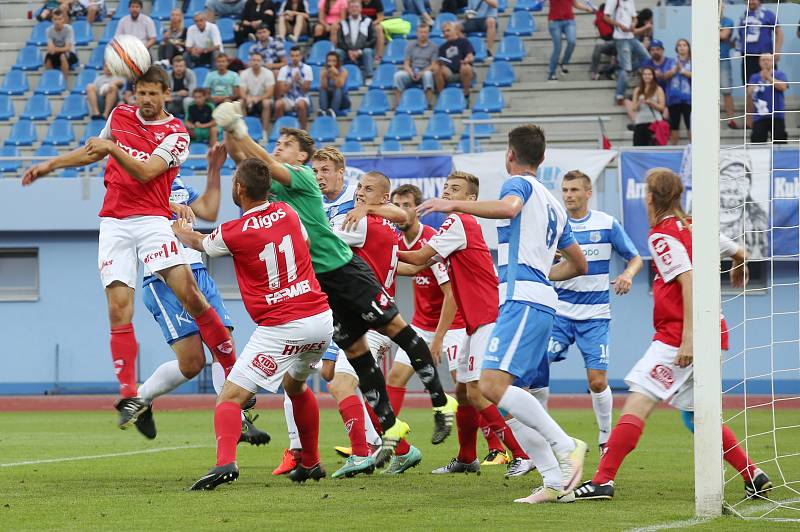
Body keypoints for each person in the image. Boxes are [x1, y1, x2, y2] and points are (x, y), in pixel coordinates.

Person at [215, 107, 457, 465]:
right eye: (277, 143)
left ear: (302, 157)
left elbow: (401, 213)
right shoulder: (275, 192)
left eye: (286, 144)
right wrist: (230, 137)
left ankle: (441, 401)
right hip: (322, 288)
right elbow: (248, 165)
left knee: (396, 331)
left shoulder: (302, 178)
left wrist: (238, 127)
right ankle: (387, 433)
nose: (278, 148)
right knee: (354, 360)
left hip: (345, 271)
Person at [21, 66, 237, 431]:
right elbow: (93, 152)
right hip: (114, 223)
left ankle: (232, 369)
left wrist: (111, 148)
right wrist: (49, 165)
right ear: (134, 93)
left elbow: (146, 172)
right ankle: (128, 394)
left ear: (166, 94)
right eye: (141, 93)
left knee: (193, 296)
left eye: (154, 94)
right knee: (118, 308)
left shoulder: (177, 134)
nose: (146, 101)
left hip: (153, 222)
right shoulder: (119, 115)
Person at [407, 125, 590, 504]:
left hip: (520, 299)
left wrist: (452, 204)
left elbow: (508, 209)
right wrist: (544, 273)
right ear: (541, 157)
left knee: (488, 387)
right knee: (520, 400)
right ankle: (556, 483)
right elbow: (579, 264)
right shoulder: (555, 203)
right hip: (540, 300)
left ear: (510, 155)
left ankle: (566, 444)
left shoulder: (518, 185)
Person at [572, 168, 773, 502]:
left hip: (679, 336)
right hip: (716, 332)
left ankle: (602, 480)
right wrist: (740, 263)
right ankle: (753, 474)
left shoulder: (662, 235)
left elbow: (688, 279)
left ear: (650, 197)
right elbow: (739, 251)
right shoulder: (695, 226)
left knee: (638, 400)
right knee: (697, 415)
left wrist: (689, 339)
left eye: (646, 193)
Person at [174, 156, 334, 489]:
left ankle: (224, 464)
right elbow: (303, 243)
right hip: (320, 318)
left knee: (230, 398)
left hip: (282, 325)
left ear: (239, 188)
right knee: (296, 385)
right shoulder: (289, 213)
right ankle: (312, 463)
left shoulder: (233, 232)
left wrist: (180, 230)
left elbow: (201, 244)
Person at [397, 173, 537, 480]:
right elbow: (419, 265)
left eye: (455, 190)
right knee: (462, 391)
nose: (448, 193)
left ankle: (523, 454)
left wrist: (378, 249)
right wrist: (379, 259)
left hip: (486, 317)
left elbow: (420, 256)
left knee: (477, 391)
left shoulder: (458, 222)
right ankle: (466, 457)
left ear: (470, 200)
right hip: (477, 320)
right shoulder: (460, 226)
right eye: (446, 188)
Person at [135, 145, 268, 446]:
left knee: (225, 342)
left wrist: (213, 169)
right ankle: (141, 398)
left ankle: (238, 419)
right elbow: (137, 221)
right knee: (193, 364)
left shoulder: (180, 183)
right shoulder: (140, 186)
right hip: (163, 278)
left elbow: (207, 210)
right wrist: (168, 214)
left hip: (197, 270)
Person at [545, 171, 642, 452]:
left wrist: (628, 274)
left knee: (597, 382)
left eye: (574, 189)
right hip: (559, 313)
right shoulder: (555, 225)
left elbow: (635, 258)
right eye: (564, 190)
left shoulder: (606, 224)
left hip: (595, 316)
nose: (568, 195)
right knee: (536, 371)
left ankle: (604, 437)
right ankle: (541, 438)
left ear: (588, 193)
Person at [604, 0, 649, 104]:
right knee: (626, 69)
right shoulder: (613, 1)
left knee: (647, 60)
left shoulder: (630, 1)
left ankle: (618, 69)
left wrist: (633, 23)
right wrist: (619, 25)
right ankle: (619, 95)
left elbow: (634, 17)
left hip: (631, 36)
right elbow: (606, 17)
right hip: (621, 38)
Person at [739, 0, 782, 92]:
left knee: (771, 85)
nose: (750, 2)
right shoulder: (744, 16)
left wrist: (777, 52)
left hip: (766, 56)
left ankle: (772, 106)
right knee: (749, 87)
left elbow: (779, 33)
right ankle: (751, 106)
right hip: (748, 57)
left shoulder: (768, 14)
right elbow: (741, 35)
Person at [548, 1, 595, 81]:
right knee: (557, 48)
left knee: (572, 41)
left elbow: (574, 3)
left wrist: (586, 8)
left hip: (569, 20)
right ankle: (551, 73)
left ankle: (564, 63)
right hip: (554, 21)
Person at [393, 23, 437, 108]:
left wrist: (421, 73)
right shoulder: (410, 46)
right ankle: (399, 104)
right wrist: (411, 73)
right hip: (412, 71)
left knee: (428, 75)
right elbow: (406, 64)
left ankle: (428, 104)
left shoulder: (434, 47)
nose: (423, 34)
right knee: (397, 76)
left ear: (428, 34)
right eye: (421, 32)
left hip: (425, 71)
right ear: (417, 33)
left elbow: (433, 65)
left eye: (425, 32)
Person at [748, 53, 788, 144]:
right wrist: (749, 116)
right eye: (763, 60)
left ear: (773, 62)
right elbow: (749, 93)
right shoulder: (754, 77)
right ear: (759, 63)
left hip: (777, 115)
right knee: (757, 145)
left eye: (768, 60)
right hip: (759, 116)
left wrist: (769, 78)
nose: (766, 62)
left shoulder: (780, 74)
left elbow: (783, 87)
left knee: (780, 144)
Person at [434, 22, 475, 105]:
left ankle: (466, 95)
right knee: (437, 69)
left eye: (448, 30)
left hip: (463, 71)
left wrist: (466, 60)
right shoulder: (442, 47)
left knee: (465, 67)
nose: (446, 33)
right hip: (449, 72)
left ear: (455, 31)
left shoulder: (464, 42)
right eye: (444, 32)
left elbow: (470, 56)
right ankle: (442, 97)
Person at [336, 0, 377, 80]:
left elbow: (373, 39)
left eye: (356, 7)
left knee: (367, 51)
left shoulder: (368, 21)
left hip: (363, 51)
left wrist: (359, 51)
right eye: (352, 7)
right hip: (347, 51)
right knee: (337, 52)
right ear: (348, 10)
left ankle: (369, 77)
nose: (354, 9)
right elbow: (340, 41)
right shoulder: (343, 23)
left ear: (361, 9)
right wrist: (349, 51)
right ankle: (338, 77)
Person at [275, 47, 313, 130]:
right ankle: (280, 131)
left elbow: (306, 90)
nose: (295, 58)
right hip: (288, 98)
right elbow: (282, 91)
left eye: (297, 55)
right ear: (289, 57)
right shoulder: (283, 69)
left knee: (301, 104)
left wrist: (299, 81)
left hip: (302, 96)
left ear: (301, 56)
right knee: (278, 104)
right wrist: (292, 81)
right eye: (292, 56)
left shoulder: (307, 68)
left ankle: (303, 131)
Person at [239, 52, 276, 136]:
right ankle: (244, 132)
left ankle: (264, 133)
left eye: (258, 60)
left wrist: (258, 98)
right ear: (250, 61)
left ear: (262, 62)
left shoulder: (268, 73)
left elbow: (270, 93)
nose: (256, 62)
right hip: (249, 100)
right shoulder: (244, 73)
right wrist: (247, 98)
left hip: (262, 100)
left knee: (266, 103)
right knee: (240, 102)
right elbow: (242, 93)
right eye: (254, 60)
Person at [664, 39, 691, 145]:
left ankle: (694, 149)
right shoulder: (671, 62)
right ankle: (673, 148)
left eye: (684, 45)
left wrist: (683, 71)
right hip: (674, 99)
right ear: (676, 48)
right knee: (674, 126)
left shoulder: (693, 61)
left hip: (689, 99)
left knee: (691, 125)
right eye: (679, 45)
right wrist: (674, 70)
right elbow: (665, 76)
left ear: (688, 47)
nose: (682, 47)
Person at [630, 66, 665, 146]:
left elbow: (662, 107)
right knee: (639, 147)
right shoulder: (637, 90)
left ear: (653, 76)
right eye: (645, 74)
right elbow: (634, 108)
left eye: (649, 74)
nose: (647, 76)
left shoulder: (658, 89)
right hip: (640, 122)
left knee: (653, 147)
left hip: (653, 123)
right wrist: (639, 102)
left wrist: (651, 103)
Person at [44, 9, 79, 79]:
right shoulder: (48, 30)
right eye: (55, 19)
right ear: (52, 20)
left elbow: (67, 48)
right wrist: (53, 49)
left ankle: (64, 83)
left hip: (70, 54)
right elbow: (50, 49)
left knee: (63, 56)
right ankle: (52, 82)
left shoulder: (69, 29)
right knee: (48, 59)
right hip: (57, 53)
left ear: (63, 20)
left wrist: (55, 49)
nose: (57, 22)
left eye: (60, 19)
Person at [589, 2, 616, 81]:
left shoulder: (615, 18)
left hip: (619, 44)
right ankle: (594, 71)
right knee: (598, 46)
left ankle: (603, 70)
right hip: (610, 44)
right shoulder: (600, 19)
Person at [720, 4, 737, 130]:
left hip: (723, 59)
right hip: (706, 61)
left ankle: (731, 120)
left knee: (726, 90)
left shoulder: (728, 21)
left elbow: (723, 36)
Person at [318, 51, 350, 117]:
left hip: (342, 100)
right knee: (322, 89)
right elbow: (324, 86)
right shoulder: (324, 70)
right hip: (329, 99)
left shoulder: (343, 71)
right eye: (329, 61)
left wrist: (336, 75)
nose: (331, 63)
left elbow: (339, 85)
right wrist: (324, 76)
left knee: (337, 89)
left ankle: (333, 111)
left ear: (338, 62)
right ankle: (323, 111)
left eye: (334, 61)